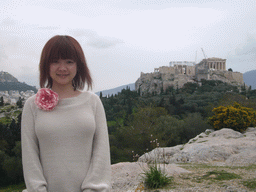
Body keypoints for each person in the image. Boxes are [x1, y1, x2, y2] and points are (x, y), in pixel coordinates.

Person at [21, 35, 111, 192]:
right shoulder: (32, 105)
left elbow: (101, 152)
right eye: (55, 61)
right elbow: (30, 156)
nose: (62, 68)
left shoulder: (93, 102)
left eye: (69, 62)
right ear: (46, 65)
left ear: (78, 65)